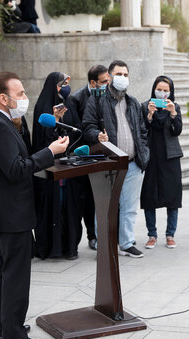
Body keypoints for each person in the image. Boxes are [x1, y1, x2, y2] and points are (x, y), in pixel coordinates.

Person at [0, 71, 69, 339]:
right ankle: (13, 336)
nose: (25, 99)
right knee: (14, 274)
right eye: (21, 94)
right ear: (3, 98)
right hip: (11, 212)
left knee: (2, 271)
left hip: (4, 211)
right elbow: (16, 169)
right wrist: (49, 152)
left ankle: (2, 327)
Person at [83, 59, 149, 258]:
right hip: (108, 163)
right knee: (104, 207)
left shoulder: (133, 102)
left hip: (133, 164)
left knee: (129, 208)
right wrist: (97, 136)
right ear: (110, 77)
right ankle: (103, 244)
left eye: (126, 75)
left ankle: (126, 243)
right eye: (118, 74)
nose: (122, 78)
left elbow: (142, 131)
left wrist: (144, 154)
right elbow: (87, 126)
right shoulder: (97, 100)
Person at [31, 72, 82, 260]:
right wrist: (55, 119)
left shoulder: (70, 105)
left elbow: (77, 130)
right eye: (62, 84)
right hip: (49, 168)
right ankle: (51, 248)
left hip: (68, 166)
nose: (65, 88)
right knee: (52, 206)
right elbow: (42, 140)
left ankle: (70, 247)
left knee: (69, 207)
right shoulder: (42, 107)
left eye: (68, 84)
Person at [70, 65, 110, 250]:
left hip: (103, 152)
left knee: (99, 198)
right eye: (104, 81)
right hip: (85, 154)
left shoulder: (109, 94)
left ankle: (100, 234)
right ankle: (91, 236)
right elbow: (79, 129)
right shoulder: (77, 98)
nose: (107, 84)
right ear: (93, 82)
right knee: (87, 197)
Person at [140, 76, 183, 248]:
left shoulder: (174, 106)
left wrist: (173, 114)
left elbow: (177, 131)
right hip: (151, 156)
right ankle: (152, 234)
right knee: (149, 196)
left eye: (166, 90)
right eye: (160, 89)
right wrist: (150, 115)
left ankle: (170, 234)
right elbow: (142, 130)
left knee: (172, 196)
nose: (163, 93)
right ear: (154, 89)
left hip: (170, 156)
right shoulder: (145, 106)